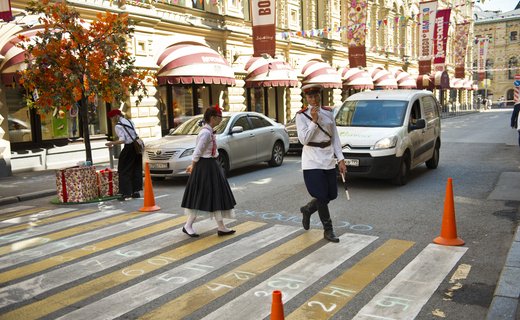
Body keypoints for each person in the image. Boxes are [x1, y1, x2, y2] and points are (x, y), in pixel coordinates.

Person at [296, 84, 347, 243]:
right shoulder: (302, 116)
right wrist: (314, 121)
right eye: (310, 97)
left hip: (327, 158)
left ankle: (308, 209)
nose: (313, 99)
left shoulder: (329, 112)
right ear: (306, 98)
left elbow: (335, 138)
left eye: (316, 96)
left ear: (320, 95)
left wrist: (340, 158)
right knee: (321, 195)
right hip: (312, 160)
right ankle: (328, 229)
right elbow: (304, 139)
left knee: (331, 194)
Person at [181, 105, 236, 237]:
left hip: (211, 165)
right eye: (219, 117)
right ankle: (188, 225)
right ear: (212, 118)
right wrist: (193, 165)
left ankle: (221, 227)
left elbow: (211, 151)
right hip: (205, 167)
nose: (221, 119)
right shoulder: (205, 133)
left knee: (215, 195)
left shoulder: (209, 131)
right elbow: (198, 151)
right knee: (201, 196)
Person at [105, 109, 143, 201]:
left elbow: (123, 140)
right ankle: (136, 192)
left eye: (111, 118)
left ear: (116, 116)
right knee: (136, 168)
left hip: (129, 148)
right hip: (137, 147)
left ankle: (125, 193)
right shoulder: (130, 121)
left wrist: (112, 143)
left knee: (123, 169)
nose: (111, 120)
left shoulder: (118, 126)